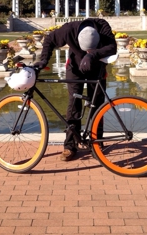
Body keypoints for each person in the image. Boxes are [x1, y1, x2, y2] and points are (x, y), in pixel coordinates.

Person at [34, 18, 117, 161]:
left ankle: (96, 144)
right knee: (73, 103)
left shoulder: (102, 26)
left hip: (97, 65)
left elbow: (112, 47)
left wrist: (92, 54)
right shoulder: (68, 30)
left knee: (97, 104)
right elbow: (49, 40)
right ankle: (70, 146)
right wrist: (43, 60)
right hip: (75, 67)